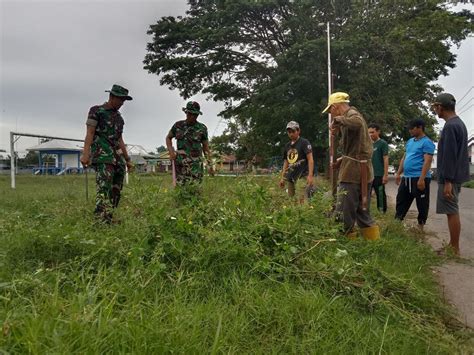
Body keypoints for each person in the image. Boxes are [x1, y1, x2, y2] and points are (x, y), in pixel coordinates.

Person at [323, 92, 380, 240]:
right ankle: (373, 243)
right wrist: (342, 158)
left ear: (335, 107)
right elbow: (357, 149)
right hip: (360, 167)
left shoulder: (352, 115)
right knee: (362, 210)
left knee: (343, 210)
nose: (330, 113)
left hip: (353, 172)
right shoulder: (349, 117)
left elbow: (357, 123)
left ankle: (346, 243)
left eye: (330, 110)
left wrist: (338, 120)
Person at [80, 84, 133, 223]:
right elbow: (90, 133)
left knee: (116, 188)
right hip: (103, 155)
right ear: (111, 96)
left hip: (117, 157)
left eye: (123, 100)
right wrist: (85, 154)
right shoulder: (97, 111)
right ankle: (100, 220)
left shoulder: (119, 118)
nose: (122, 103)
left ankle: (109, 216)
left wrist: (127, 159)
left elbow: (120, 139)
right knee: (104, 187)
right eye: (120, 99)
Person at [432, 93, 470, 256]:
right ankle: (452, 246)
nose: (435, 110)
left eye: (435, 107)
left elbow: (449, 155)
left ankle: (454, 248)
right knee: (451, 210)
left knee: (452, 210)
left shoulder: (450, 126)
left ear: (440, 107)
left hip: (450, 177)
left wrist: (447, 180)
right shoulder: (458, 124)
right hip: (455, 175)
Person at [395, 119, 435, 230]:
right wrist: (398, 173)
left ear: (419, 127)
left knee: (422, 203)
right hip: (407, 177)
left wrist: (422, 179)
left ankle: (420, 226)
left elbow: (427, 161)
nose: (410, 130)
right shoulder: (410, 141)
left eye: (412, 128)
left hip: (419, 178)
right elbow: (404, 157)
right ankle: (396, 223)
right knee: (401, 200)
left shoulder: (427, 142)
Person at [166, 101, 213, 185]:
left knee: (196, 188)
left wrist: (210, 165)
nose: (192, 117)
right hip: (181, 164)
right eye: (190, 114)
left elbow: (205, 147)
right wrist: (171, 152)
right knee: (180, 189)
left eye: (195, 115)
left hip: (196, 166)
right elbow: (168, 138)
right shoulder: (178, 125)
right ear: (186, 112)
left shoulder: (202, 128)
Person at [279, 121, 314, 203]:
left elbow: (310, 159)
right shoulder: (287, 146)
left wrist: (310, 175)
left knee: (301, 200)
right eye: (289, 132)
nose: (291, 134)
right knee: (291, 201)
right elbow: (286, 162)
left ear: (298, 131)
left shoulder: (304, 143)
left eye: (293, 131)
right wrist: (282, 178)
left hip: (302, 176)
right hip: (291, 177)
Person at [368, 123, 389, 213]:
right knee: (366, 194)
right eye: (369, 133)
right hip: (368, 174)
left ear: (378, 132)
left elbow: (385, 158)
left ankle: (382, 212)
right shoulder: (367, 144)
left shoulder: (382, 143)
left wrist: (385, 175)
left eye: (372, 132)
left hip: (379, 174)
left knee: (380, 194)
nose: (370, 134)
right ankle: (365, 212)